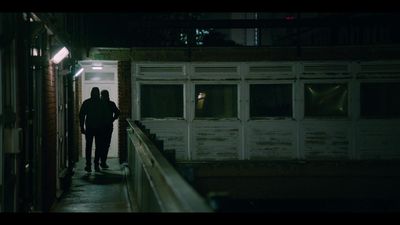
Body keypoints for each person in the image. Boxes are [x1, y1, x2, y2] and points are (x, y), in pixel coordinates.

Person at [79, 87, 106, 172]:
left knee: (88, 146)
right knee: (98, 147)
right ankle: (96, 164)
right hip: (99, 128)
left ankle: (88, 165)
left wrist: (82, 127)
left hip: (90, 127)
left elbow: (81, 115)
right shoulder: (102, 103)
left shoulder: (87, 102)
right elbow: (105, 117)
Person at [99, 89, 120, 169]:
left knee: (100, 144)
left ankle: (100, 162)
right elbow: (118, 112)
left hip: (100, 127)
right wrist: (112, 119)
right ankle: (103, 162)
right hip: (107, 127)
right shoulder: (111, 104)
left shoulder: (99, 104)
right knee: (105, 145)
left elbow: (117, 112)